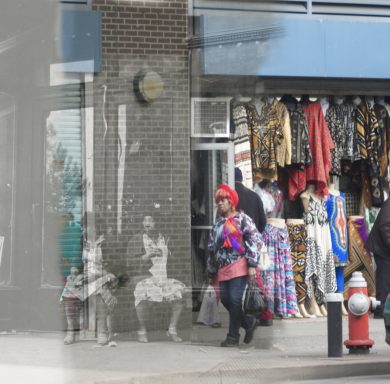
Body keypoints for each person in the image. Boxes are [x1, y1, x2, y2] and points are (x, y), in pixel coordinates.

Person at [208, 184, 263, 347]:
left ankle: (232, 337)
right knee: (226, 299)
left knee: (234, 299)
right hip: (222, 268)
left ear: (231, 201)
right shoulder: (218, 224)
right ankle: (247, 322)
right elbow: (212, 248)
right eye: (218, 200)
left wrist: (252, 264)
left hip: (240, 265)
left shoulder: (243, 219)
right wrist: (211, 270)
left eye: (223, 200)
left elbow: (255, 240)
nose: (220, 203)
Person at [129, 214, 186, 343]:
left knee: (179, 294)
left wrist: (168, 254)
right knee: (142, 294)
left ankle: (172, 329)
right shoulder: (137, 239)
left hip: (164, 277)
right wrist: (147, 256)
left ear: (157, 223)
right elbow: (129, 262)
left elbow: (177, 259)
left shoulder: (165, 239)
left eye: (151, 220)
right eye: (145, 220)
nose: (147, 223)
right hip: (145, 277)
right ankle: (142, 330)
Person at [365, 197, 390, 318]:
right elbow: (384, 225)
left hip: (385, 247)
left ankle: (383, 309)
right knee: (384, 279)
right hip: (382, 248)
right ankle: (380, 311)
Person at [235, 167, 266, 233]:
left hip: (233, 239)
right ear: (241, 179)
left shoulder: (228, 196)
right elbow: (263, 222)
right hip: (250, 238)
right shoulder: (255, 196)